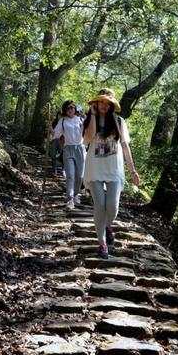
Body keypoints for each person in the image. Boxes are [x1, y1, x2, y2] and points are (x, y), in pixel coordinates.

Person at [83, 88, 140, 259]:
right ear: (96, 103)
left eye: (107, 103)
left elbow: (125, 146)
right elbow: (88, 138)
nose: (104, 105)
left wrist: (133, 170)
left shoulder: (119, 122)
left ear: (112, 105)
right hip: (95, 168)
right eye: (101, 101)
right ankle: (102, 244)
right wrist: (92, 115)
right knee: (100, 205)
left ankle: (108, 226)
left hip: (114, 168)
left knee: (112, 206)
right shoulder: (89, 120)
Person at [53, 100, 86, 207]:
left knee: (80, 176)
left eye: (72, 107)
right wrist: (50, 131)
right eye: (68, 108)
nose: (70, 110)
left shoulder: (81, 120)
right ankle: (69, 198)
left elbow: (88, 133)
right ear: (65, 110)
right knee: (70, 175)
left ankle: (76, 194)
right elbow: (56, 134)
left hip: (80, 149)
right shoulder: (63, 121)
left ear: (75, 109)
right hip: (68, 149)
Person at [48, 112, 64, 176]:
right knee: (53, 155)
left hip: (62, 140)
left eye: (61, 115)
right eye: (59, 115)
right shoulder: (54, 123)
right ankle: (54, 170)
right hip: (55, 140)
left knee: (62, 155)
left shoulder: (65, 122)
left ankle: (63, 170)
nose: (59, 117)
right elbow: (53, 133)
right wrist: (50, 127)